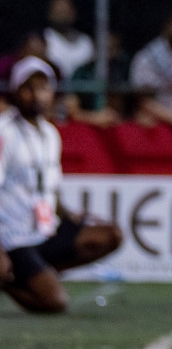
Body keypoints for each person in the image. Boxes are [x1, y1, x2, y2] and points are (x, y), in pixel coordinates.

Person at [0, 58, 124, 313]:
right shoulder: (5, 132)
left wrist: (71, 215)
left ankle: (38, 273)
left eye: (43, 87)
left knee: (110, 235)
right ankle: (8, 279)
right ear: (15, 90)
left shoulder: (50, 134)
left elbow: (48, 190)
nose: (37, 95)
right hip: (13, 237)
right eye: (29, 87)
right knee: (55, 303)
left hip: (44, 230)